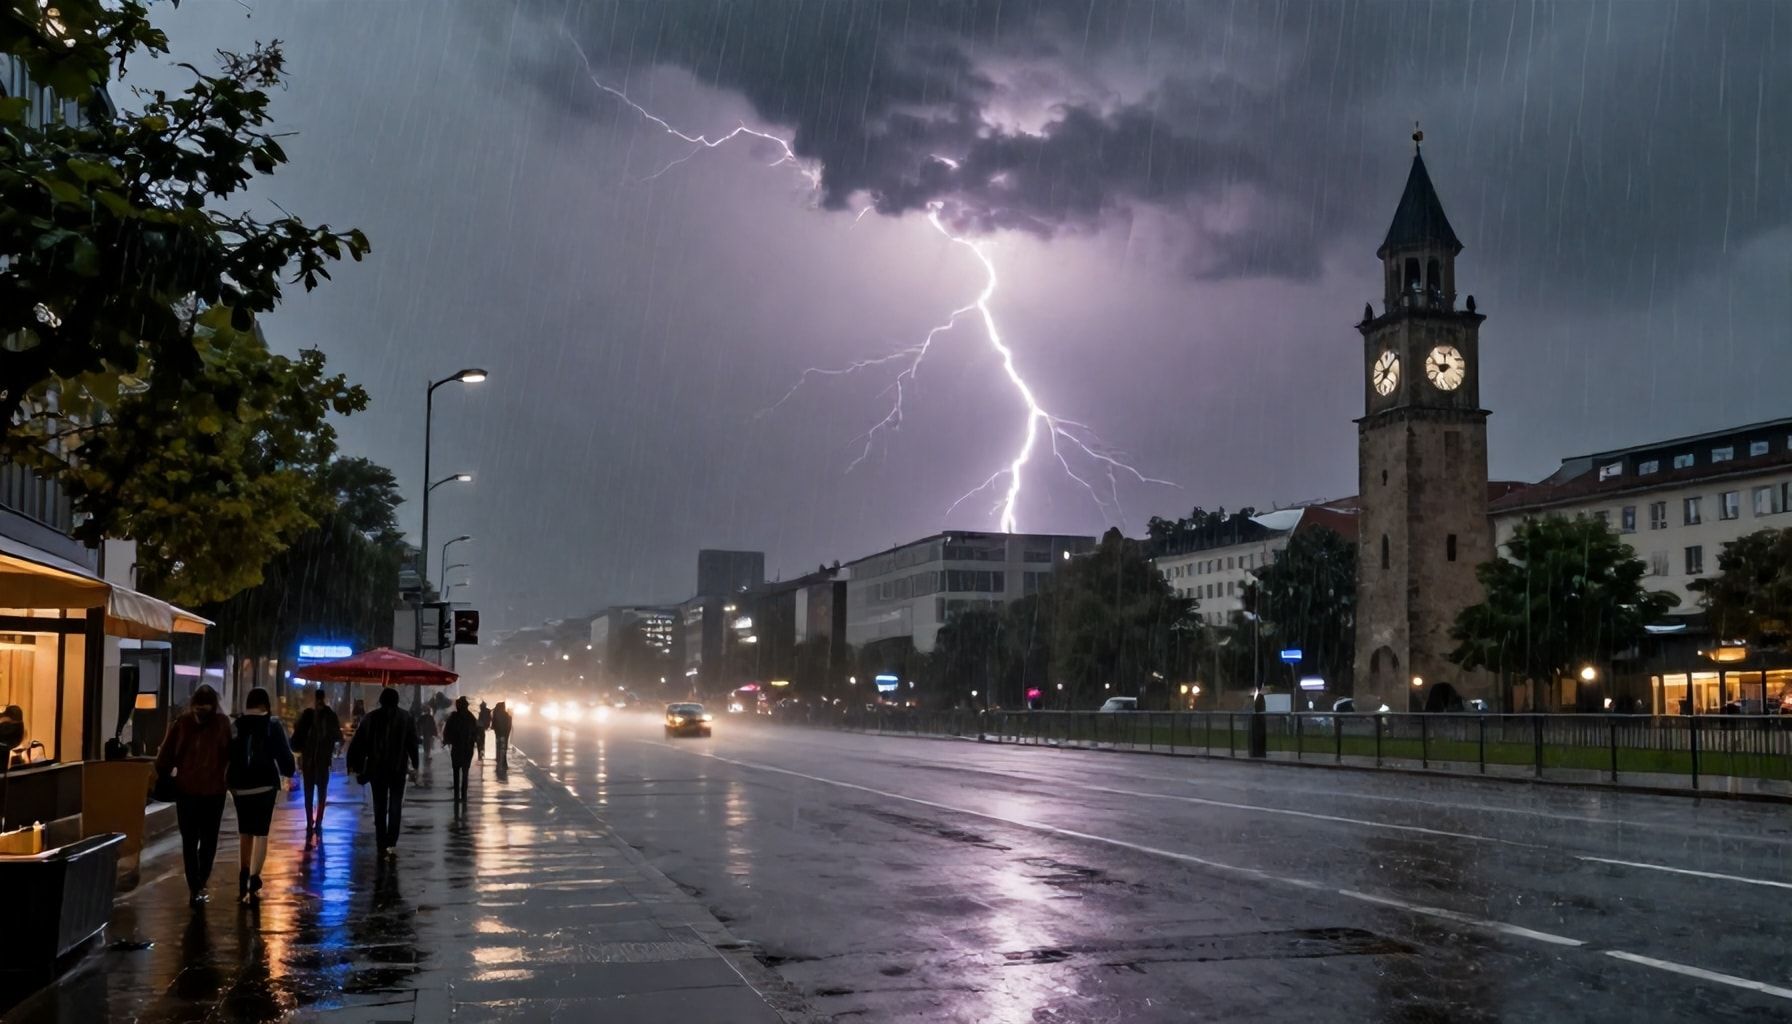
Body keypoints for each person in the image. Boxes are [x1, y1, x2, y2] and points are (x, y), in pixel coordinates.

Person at [155, 685, 233, 906]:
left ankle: (194, 887)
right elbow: (231, 755)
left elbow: (163, 760)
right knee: (209, 840)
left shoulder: (182, 724)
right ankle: (201, 881)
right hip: (214, 793)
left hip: (186, 792)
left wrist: (169, 776)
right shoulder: (222, 724)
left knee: (189, 842)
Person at [228, 687, 296, 904]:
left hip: (239, 786)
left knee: (244, 831)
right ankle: (255, 877)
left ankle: (242, 874)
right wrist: (289, 771)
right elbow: (285, 757)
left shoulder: (236, 724)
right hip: (265, 786)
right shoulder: (272, 724)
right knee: (261, 831)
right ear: (266, 705)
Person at [346, 687, 419, 858]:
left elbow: (359, 743)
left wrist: (353, 764)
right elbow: (412, 743)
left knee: (380, 807)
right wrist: (415, 764)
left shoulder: (370, 718)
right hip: (398, 769)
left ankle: (381, 841)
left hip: (377, 769)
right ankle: (391, 841)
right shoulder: (406, 718)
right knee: (395, 806)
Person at [290, 687, 343, 838]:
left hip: (308, 761)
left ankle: (309, 822)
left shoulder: (307, 715)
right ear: (324, 698)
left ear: (314, 699)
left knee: (308, 793)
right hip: (323, 761)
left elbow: (297, 736)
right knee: (322, 793)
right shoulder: (330, 715)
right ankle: (318, 821)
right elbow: (338, 736)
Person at [441, 696, 480, 807]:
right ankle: (463, 795)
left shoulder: (453, 717)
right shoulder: (471, 718)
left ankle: (457, 796)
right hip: (467, 750)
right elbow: (476, 733)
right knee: (465, 772)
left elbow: (447, 732)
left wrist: (447, 741)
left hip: (457, 749)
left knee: (456, 772)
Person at [491, 701, 513, 770]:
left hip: (498, 734)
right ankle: (504, 763)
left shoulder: (495, 713)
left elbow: (493, 724)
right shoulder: (506, 715)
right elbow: (508, 726)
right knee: (504, 748)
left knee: (499, 747)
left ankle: (499, 759)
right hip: (504, 734)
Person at [415, 704, 438, 769]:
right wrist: (435, 733)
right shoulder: (430, 717)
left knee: (426, 744)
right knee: (428, 744)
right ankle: (427, 755)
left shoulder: (422, 717)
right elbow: (433, 725)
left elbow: (418, 725)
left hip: (426, 733)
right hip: (428, 733)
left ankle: (427, 755)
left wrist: (419, 732)